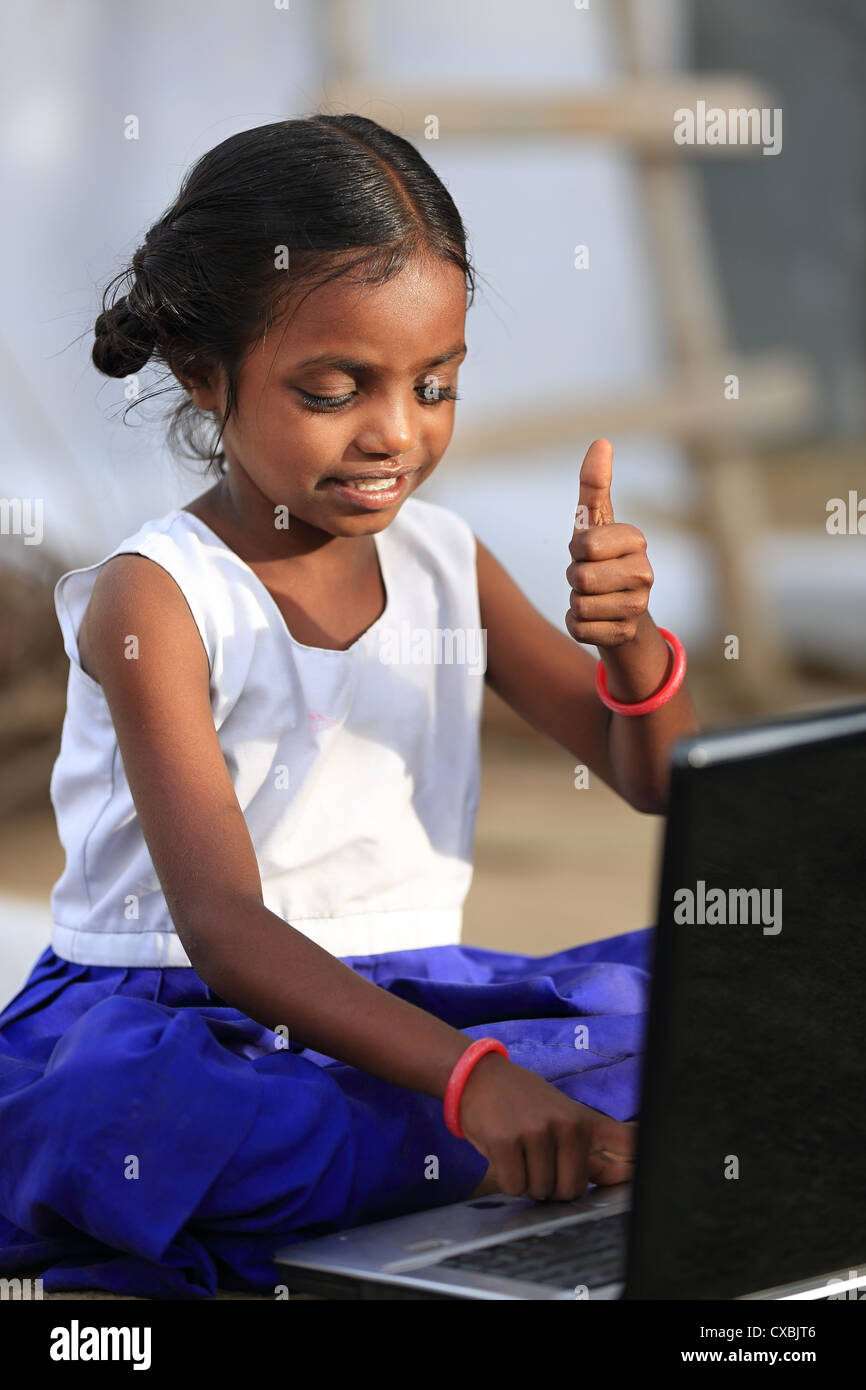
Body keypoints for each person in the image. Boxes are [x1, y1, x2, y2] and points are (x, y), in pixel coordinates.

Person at [0, 114, 699, 1298]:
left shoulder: (444, 561)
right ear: (201, 374)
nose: (395, 432)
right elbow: (224, 931)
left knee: (697, 1014)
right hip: (191, 1013)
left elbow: (650, 779)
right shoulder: (157, 598)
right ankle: (473, 1153)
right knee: (142, 1123)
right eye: (334, 387)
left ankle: (437, 1157)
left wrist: (629, 645)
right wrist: (474, 1079)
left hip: (408, 1005)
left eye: (435, 384)